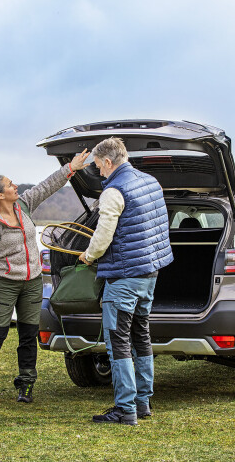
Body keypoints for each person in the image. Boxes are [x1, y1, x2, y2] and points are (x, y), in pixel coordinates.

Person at [0, 150, 89, 403]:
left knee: (28, 334)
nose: (16, 186)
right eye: (10, 185)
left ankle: (26, 384)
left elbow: (48, 186)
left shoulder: (23, 205)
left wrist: (71, 167)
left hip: (32, 282)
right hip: (4, 283)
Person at [78, 137, 173, 426]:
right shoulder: (150, 182)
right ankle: (143, 402)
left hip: (123, 276)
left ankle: (125, 408)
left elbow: (104, 235)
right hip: (150, 273)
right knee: (140, 334)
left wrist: (89, 256)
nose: (98, 172)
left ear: (108, 162)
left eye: (97, 166)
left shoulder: (114, 191)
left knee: (117, 341)